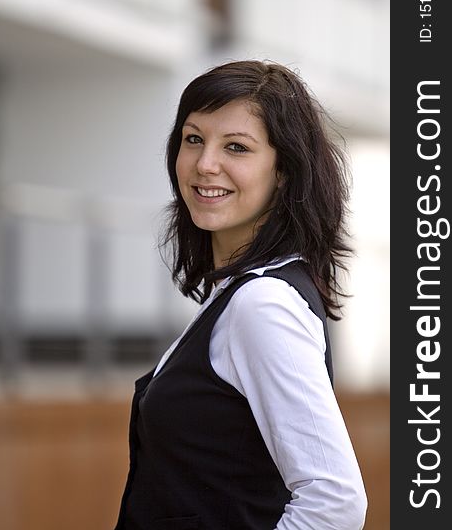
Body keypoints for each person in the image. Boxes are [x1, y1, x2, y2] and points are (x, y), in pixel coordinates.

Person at [114, 60, 368, 530]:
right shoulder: (237, 294)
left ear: (284, 172)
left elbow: (335, 503)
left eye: (236, 147)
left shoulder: (263, 305)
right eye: (193, 139)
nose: (205, 164)